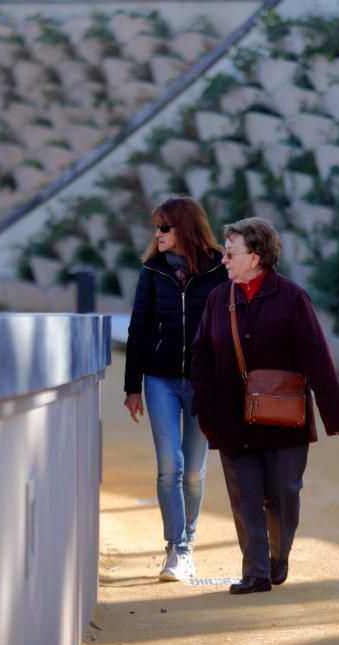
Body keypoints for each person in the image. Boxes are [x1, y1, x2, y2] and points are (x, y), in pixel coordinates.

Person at [190, 217, 339, 595]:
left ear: (258, 256)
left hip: (285, 418)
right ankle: (256, 571)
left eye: (231, 253)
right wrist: (204, 407)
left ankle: (278, 556)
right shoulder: (218, 299)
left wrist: (335, 415)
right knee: (245, 495)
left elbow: (316, 356)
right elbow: (200, 355)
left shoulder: (293, 297)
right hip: (230, 417)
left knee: (283, 491)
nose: (224, 260)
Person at [124, 195, 227, 581]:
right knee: (170, 465)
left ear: (186, 227)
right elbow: (138, 329)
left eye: (164, 226)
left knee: (194, 472)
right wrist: (132, 386)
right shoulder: (153, 271)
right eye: (155, 226)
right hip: (160, 379)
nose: (157, 233)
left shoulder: (219, 269)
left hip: (205, 382)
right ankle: (177, 550)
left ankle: (189, 540)